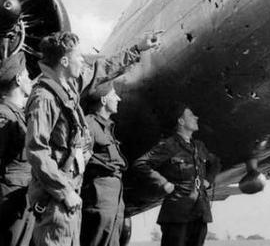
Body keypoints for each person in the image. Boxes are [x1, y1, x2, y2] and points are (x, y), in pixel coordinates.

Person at [26, 30, 159, 246]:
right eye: (79, 57)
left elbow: (101, 69)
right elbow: (37, 151)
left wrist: (138, 49)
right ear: (65, 60)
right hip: (56, 197)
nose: (83, 61)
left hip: (69, 194)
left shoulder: (68, 88)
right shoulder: (44, 98)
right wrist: (64, 191)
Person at [133, 105, 221, 246]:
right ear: (181, 121)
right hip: (176, 213)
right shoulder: (168, 145)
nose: (196, 117)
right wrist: (163, 183)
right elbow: (141, 164)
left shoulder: (199, 146)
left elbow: (215, 162)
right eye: (191, 115)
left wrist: (208, 181)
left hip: (200, 212)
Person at [80, 82, 127, 246]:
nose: (119, 99)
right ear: (104, 100)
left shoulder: (107, 128)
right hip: (98, 198)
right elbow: (78, 160)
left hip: (113, 200)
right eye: (114, 95)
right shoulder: (89, 125)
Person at [0, 52, 34, 246]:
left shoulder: (19, 115)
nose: (30, 80)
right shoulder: (4, 115)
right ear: (19, 79)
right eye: (28, 76)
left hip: (22, 197)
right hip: (8, 199)